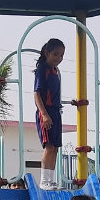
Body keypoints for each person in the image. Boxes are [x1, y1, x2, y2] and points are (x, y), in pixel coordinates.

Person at [33, 38, 66, 191]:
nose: (58, 58)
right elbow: (37, 93)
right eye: (55, 54)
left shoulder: (54, 71)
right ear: (47, 53)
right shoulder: (43, 69)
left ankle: (51, 180)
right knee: (49, 146)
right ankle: (44, 181)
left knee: (56, 147)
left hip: (56, 111)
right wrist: (44, 114)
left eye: (61, 55)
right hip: (46, 111)